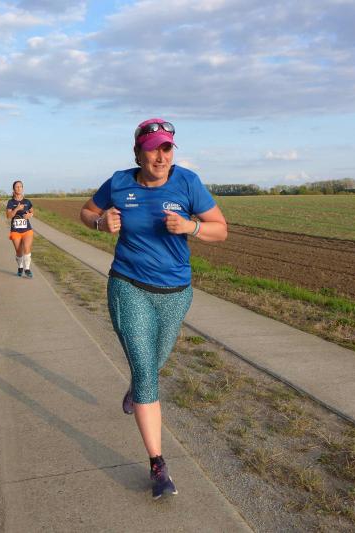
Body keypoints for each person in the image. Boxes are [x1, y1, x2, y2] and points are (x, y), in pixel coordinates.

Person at [79, 118, 228, 499]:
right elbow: (86, 212)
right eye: (153, 149)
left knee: (155, 361)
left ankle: (137, 388)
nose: (161, 157)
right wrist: (100, 223)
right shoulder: (119, 182)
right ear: (137, 153)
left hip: (176, 292)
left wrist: (191, 228)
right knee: (147, 373)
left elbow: (220, 229)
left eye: (167, 149)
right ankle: (158, 465)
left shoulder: (188, 182)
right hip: (128, 286)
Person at [6, 180, 34, 278]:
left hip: (27, 230)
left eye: (20, 186)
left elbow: (32, 211)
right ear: (14, 189)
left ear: (22, 188)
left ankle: (27, 269)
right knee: (19, 251)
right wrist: (17, 209)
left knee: (26, 248)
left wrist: (30, 215)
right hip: (15, 230)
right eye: (17, 187)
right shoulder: (11, 202)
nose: (19, 188)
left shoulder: (27, 201)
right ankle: (20, 267)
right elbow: (8, 216)